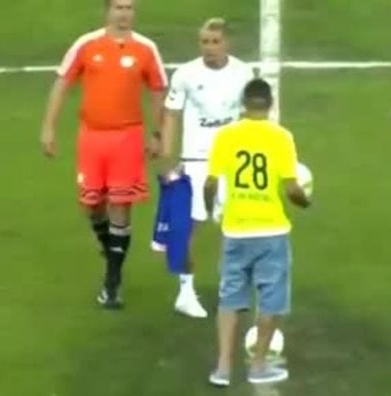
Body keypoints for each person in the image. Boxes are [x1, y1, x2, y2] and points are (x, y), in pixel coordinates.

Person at [40, 0, 167, 308]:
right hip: (92, 139)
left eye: (129, 8)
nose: (124, 13)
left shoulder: (146, 49)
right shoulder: (86, 45)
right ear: (107, 11)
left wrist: (157, 133)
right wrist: (48, 127)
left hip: (127, 138)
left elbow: (158, 89)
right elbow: (63, 83)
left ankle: (112, 282)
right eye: (119, 7)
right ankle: (109, 246)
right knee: (93, 205)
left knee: (120, 207)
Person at [203, 78, 311, 386]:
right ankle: (259, 365)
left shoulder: (226, 136)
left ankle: (223, 368)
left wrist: (213, 210)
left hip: (236, 230)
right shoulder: (281, 137)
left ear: (243, 104)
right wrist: (306, 203)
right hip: (271, 231)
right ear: (270, 103)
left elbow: (210, 184)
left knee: (230, 299)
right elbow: (292, 189)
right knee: (271, 300)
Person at [152, 17, 255, 319]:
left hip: (231, 160)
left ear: (227, 43)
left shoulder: (243, 73)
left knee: (233, 225)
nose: (209, 48)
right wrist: (168, 158)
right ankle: (185, 291)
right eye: (204, 42)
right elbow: (171, 114)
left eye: (215, 42)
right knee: (189, 226)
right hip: (196, 160)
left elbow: (251, 114)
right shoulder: (185, 74)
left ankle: (230, 287)